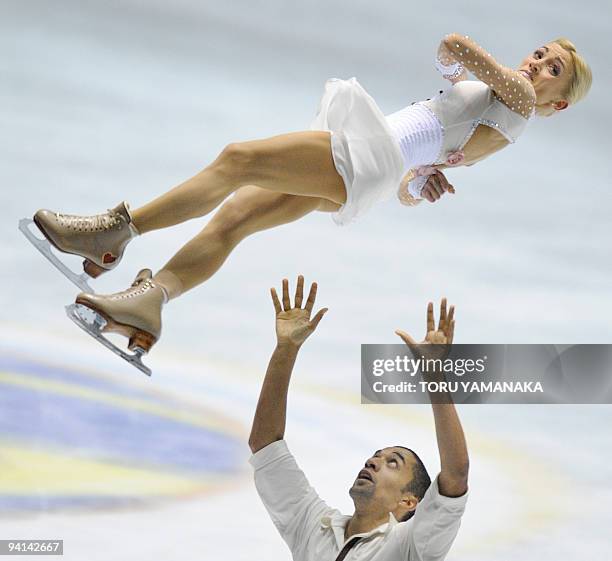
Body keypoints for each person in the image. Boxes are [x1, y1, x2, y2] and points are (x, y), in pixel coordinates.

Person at [26, 34, 591, 356]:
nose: (535, 64)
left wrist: (456, 60)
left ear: (558, 102)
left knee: (237, 160)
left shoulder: (516, 98)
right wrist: (421, 181)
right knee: (235, 218)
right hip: (372, 166)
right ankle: (151, 303)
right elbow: (413, 187)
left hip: (365, 153)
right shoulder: (506, 123)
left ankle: (113, 233)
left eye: (552, 68)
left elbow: (454, 46)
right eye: (540, 54)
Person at [248, 275, 468, 561]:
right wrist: (286, 349)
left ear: (409, 501)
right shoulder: (313, 526)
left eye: (392, 463)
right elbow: (265, 444)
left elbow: (457, 473)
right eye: (377, 456)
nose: (373, 461)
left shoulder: (411, 546)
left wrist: (434, 377)